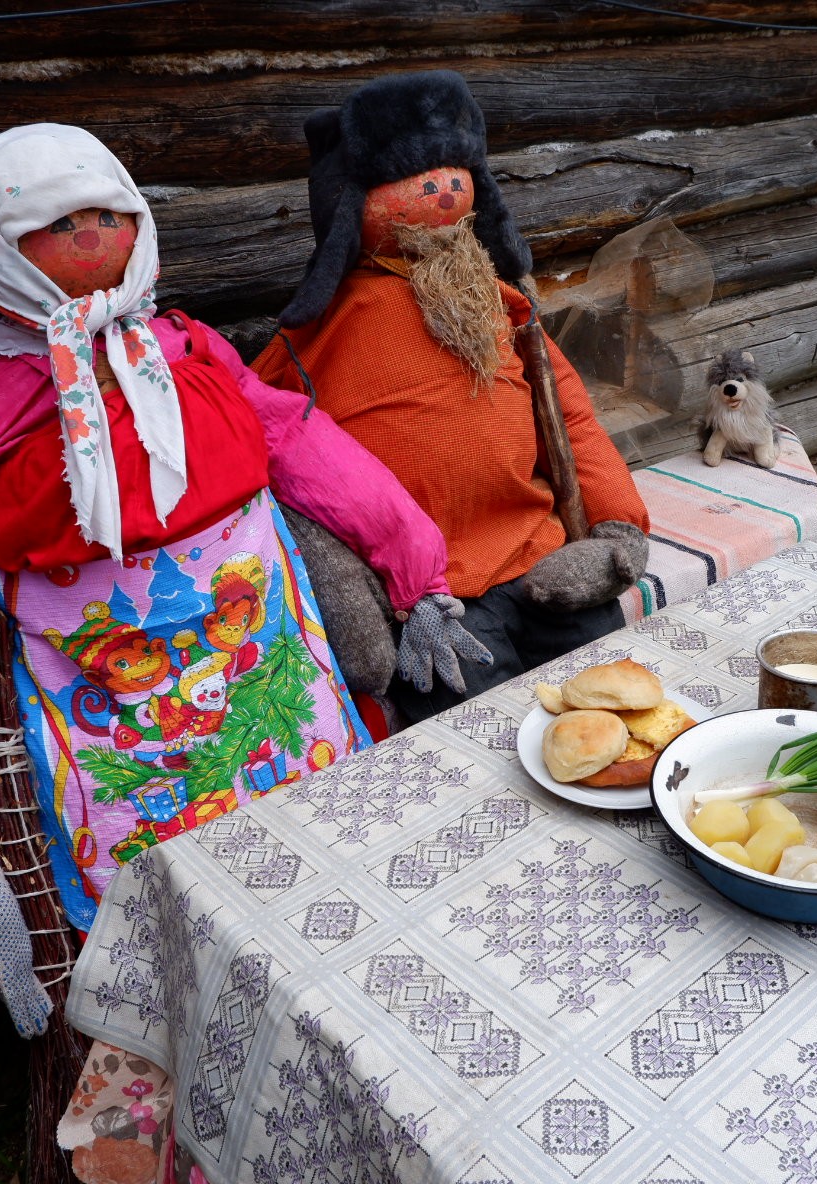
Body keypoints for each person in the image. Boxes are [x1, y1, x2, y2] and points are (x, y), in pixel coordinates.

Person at [0, 123, 481, 1032]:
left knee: (329, 883)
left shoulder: (187, 354)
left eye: (110, 213)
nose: (93, 237)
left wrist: (416, 576)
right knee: (183, 959)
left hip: (274, 696)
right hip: (120, 750)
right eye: (59, 222)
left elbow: (300, 442)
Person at [251, 70, 651, 724]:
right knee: (480, 745)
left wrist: (616, 526)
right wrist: (351, 603)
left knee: (612, 714)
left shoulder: (500, 303)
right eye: (418, 179)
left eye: (453, 176)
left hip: (543, 559)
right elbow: (267, 445)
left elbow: (568, 415)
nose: (441, 192)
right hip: (432, 601)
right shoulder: (319, 335)